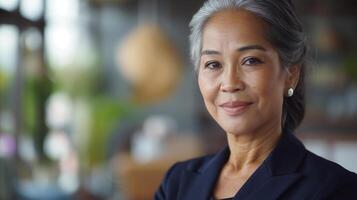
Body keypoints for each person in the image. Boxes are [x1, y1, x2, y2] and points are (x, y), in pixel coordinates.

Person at [154, 0, 357, 199]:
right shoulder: (177, 183)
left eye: (250, 61)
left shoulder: (334, 188)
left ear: (290, 75)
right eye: (213, 64)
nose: (230, 83)